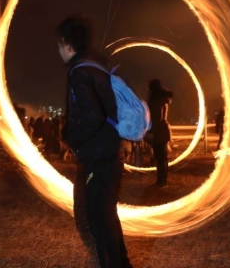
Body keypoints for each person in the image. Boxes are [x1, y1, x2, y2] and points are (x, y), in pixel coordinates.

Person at [58, 16, 132, 268]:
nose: (58, 51)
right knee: (107, 214)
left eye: (59, 45)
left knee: (98, 217)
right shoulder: (98, 63)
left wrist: (70, 138)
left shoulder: (80, 72)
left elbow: (91, 117)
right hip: (110, 150)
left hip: (99, 155)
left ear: (68, 45)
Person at [147, 78, 173, 187]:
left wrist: (151, 132)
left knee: (160, 157)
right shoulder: (163, 100)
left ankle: (161, 181)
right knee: (162, 157)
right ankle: (162, 180)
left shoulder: (156, 101)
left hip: (159, 132)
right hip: (163, 130)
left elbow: (157, 118)